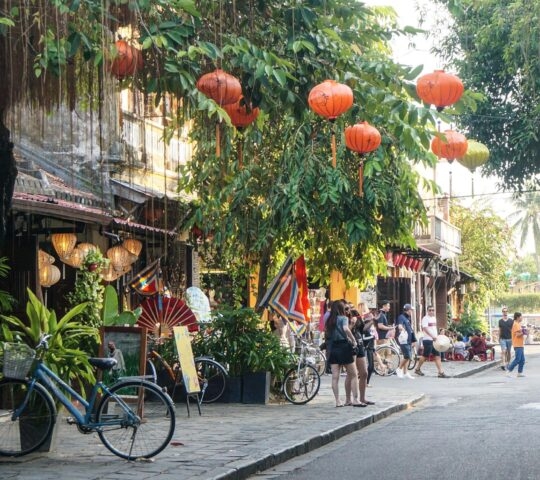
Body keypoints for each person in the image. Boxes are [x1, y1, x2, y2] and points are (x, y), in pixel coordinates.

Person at [324, 300, 364, 407]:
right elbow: (346, 329)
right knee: (354, 374)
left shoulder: (329, 320)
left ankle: (337, 401)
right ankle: (355, 399)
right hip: (344, 347)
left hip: (333, 348)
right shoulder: (344, 318)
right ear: (341, 309)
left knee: (335, 377)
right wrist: (353, 340)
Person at [348, 310, 375, 406]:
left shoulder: (357, 316)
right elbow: (345, 331)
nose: (350, 309)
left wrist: (372, 321)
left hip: (360, 344)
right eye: (348, 307)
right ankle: (348, 399)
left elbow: (363, 328)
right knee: (351, 374)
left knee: (364, 373)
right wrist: (351, 323)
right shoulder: (344, 318)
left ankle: (362, 398)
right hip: (350, 346)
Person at [414, 306, 449, 378]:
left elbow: (434, 329)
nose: (431, 311)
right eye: (430, 310)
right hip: (427, 340)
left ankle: (440, 372)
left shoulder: (434, 318)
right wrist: (432, 336)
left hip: (435, 340)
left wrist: (437, 336)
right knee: (425, 356)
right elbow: (425, 328)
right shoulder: (425, 318)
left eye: (433, 310)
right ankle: (417, 369)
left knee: (437, 356)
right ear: (427, 311)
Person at [395, 304, 415, 379]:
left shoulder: (408, 318)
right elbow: (399, 325)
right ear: (407, 310)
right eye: (410, 310)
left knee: (407, 356)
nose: (411, 311)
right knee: (407, 356)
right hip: (404, 340)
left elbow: (410, 329)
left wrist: (413, 340)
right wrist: (401, 328)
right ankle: (399, 369)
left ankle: (405, 372)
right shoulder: (401, 317)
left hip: (408, 339)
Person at [506, 312, 526, 377]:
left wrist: (523, 331)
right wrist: (523, 332)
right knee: (517, 359)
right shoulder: (516, 324)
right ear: (518, 317)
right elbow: (517, 335)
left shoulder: (518, 324)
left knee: (522, 360)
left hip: (520, 344)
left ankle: (519, 373)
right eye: (521, 316)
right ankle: (508, 371)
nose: (522, 318)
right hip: (517, 345)